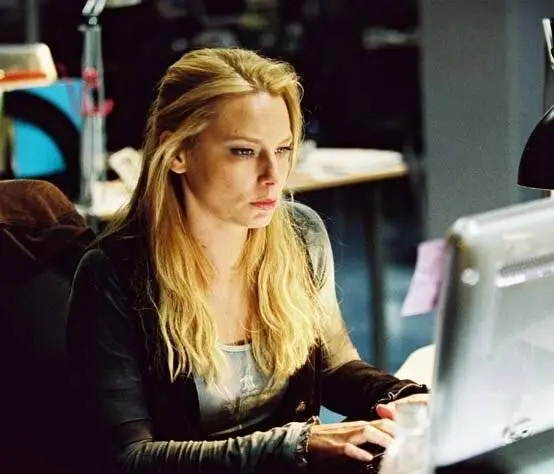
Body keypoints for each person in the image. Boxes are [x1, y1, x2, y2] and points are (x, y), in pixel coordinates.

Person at [66, 47, 428, 473]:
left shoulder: (301, 235)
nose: (273, 175)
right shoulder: (113, 273)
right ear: (177, 152)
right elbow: (127, 459)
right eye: (243, 151)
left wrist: (402, 398)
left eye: (283, 149)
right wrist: (296, 445)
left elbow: (335, 367)